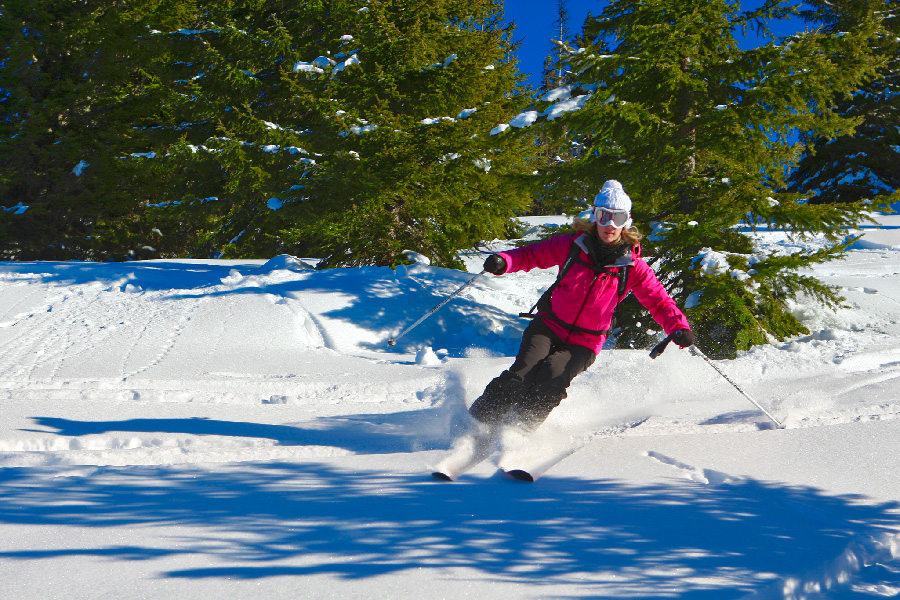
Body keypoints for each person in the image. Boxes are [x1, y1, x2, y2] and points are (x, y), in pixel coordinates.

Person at [468, 179, 694, 434]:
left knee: (552, 378)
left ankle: (518, 431)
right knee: (522, 374)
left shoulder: (632, 267)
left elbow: (658, 300)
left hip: (586, 341)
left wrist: (678, 326)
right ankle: (476, 421)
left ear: (626, 222)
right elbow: (532, 254)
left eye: (617, 218)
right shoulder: (571, 246)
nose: (610, 225)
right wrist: (505, 261)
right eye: (604, 215)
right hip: (550, 325)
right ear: (595, 216)